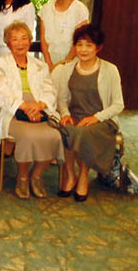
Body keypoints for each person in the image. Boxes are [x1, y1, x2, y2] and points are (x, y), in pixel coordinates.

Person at [0, 21, 64, 199]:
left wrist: (39, 106)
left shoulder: (40, 65)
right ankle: (22, 177)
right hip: (12, 110)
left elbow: (50, 90)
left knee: (56, 135)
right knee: (29, 136)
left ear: (30, 41)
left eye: (24, 38)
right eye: (15, 39)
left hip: (40, 109)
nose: (20, 43)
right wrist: (25, 106)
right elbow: (1, 92)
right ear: (8, 43)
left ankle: (36, 176)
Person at [52, 24, 124, 201]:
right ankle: (70, 175)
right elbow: (62, 99)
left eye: (89, 45)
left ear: (98, 48)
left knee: (82, 132)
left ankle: (83, 176)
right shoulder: (67, 69)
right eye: (80, 44)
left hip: (102, 120)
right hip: (74, 115)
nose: (83, 50)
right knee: (65, 129)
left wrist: (95, 117)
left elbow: (118, 104)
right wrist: (65, 113)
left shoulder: (110, 70)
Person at [39, 0, 89, 71]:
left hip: (72, 62)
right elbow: (43, 41)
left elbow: (79, 40)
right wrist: (49, 64)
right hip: (48, 62)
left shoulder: (79, 9)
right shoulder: (45, 9)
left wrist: (64, 64)